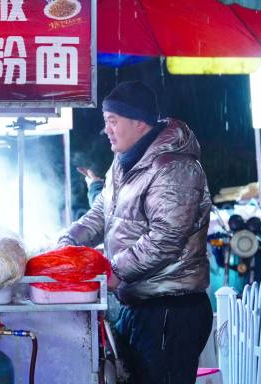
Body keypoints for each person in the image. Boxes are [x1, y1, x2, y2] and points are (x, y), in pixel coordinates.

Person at [59, 81, 213, 383]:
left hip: (170, 310)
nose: (107, 131)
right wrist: (69, 243)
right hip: (138, 304)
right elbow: (100, 213)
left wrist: (116, 271)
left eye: (113, 121)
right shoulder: (122, 163)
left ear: (140, 123)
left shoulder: (174, 167)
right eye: (106, 122)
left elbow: (167, 236)